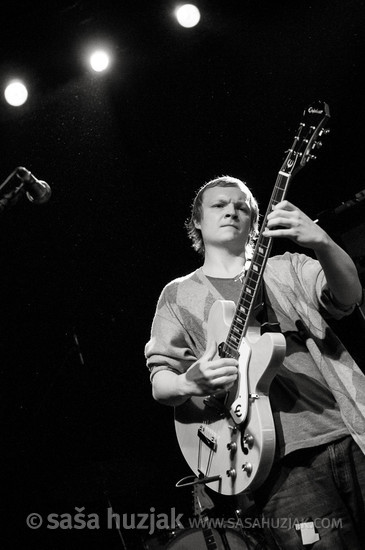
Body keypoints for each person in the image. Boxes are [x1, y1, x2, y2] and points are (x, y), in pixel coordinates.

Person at [145, 175, 365, 549]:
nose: (232, 209)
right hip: (274, 466)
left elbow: (347, 297)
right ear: (197, 220)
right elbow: (160, 379)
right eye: (219, 204)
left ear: (255, 221)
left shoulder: (287, 266)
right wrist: (187, 383)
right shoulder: (178, 294)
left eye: (243, 205)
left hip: (353, 433)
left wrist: (323, 242)